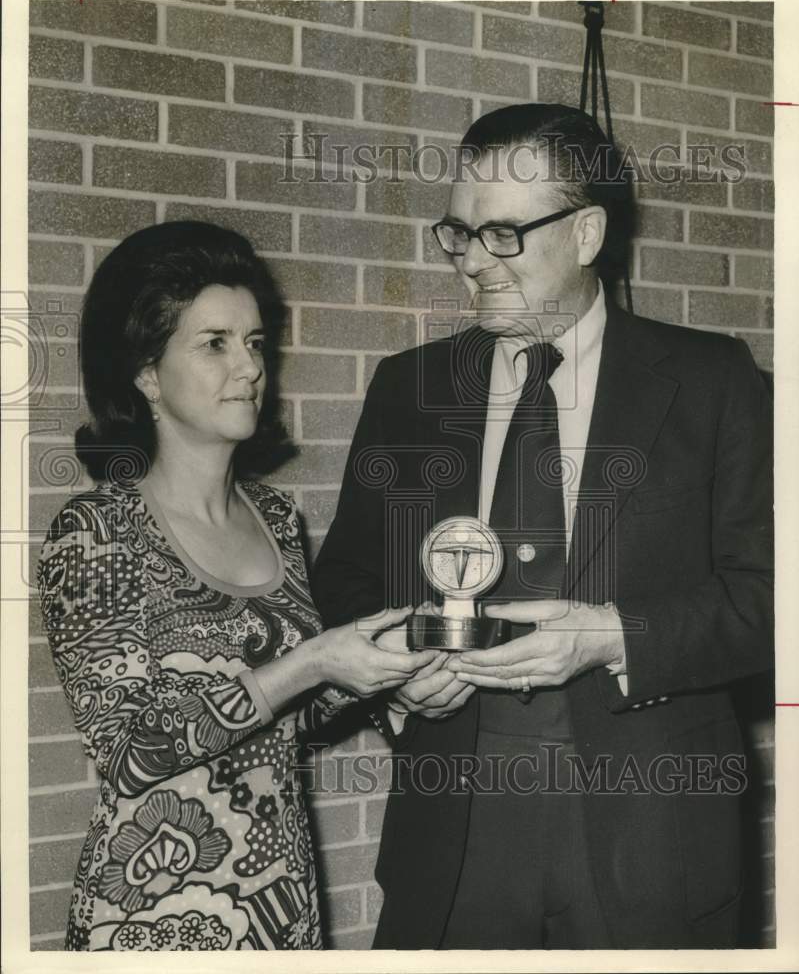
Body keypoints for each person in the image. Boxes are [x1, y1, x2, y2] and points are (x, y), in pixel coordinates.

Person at [311, 104, 774, 949]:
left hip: (651, 841)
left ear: (587, 232)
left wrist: (609, 636)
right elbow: (346, 576)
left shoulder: (715, 382)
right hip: (453, 838)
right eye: (459, 234)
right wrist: (393, 679)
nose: (473, 264)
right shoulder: (406, 387)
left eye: (503, 236)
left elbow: (767, 598)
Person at [37, 220, 433, 951]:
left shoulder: (275, 516)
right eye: (213, 343)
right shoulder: (97, 531)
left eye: (253, 343)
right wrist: (313, 661)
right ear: (147, 373)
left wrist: (381, 673)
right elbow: (127, 752)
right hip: (153, 915)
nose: (248, 367)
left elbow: (288, 717)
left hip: (278, 900)